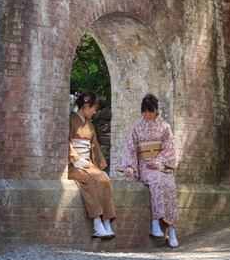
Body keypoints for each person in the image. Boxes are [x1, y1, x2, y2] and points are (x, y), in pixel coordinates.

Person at [116, 93, 180, 248]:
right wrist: (130, 166)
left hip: (160, 166)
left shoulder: (165, 127)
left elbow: (169, 149)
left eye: (150, 111)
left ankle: (171, 229)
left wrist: (159, 163)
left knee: (170, 185)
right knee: (156, 181)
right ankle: (155, 223)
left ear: (156, 110)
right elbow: (130, 148)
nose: (148, 114)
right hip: (145, 166)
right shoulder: (136, 128)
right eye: (145, 111)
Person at [68, 91, 117, 240]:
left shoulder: (89, 125)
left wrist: (100, 168)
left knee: (105, 180)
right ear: (86, 106)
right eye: (93, 108)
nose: (95, 111)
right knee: (91, 181)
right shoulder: (70, 120)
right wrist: (75, 158)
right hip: (74, 164)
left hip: (87, 163)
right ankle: (97, 223)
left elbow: (94, 146)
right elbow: (67, 141)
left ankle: (107, 222)